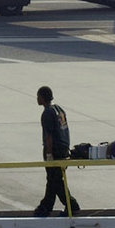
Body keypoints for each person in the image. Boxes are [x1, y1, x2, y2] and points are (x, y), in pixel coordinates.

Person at [33, 86, 80, 217]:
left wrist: (49, 154)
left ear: (42, 97)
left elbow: (49, 136)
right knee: (54, 179)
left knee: (55, 180)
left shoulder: (47, 113)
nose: (37, 99)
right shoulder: (59, 110)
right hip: (63, 148)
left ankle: (71, 205)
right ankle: (46, 205)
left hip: (54, 150)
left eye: (38, 96)